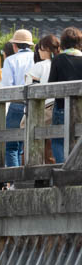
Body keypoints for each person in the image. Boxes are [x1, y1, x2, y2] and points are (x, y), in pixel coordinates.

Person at [1, 29, 35, 167]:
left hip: (17, 104)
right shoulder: (37, 59)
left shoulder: (10, 60)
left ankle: (15, 177)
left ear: (14, 46)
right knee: (31, 143)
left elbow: (7, 86)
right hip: (36, 105)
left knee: (11, 146)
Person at [27, 34, 61, 163]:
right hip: (60, 106)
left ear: (46, 49)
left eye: (40, 49)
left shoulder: (39, 66)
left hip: (43, 108)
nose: (39, 52)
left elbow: (29, 88)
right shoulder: (60, 63)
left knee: (30, 132)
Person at [50, 27, 82, 163]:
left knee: (58, 140)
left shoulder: (58, 59)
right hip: (81, 108)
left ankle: (63, 168)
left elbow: (51, 85)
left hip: (61, 107)